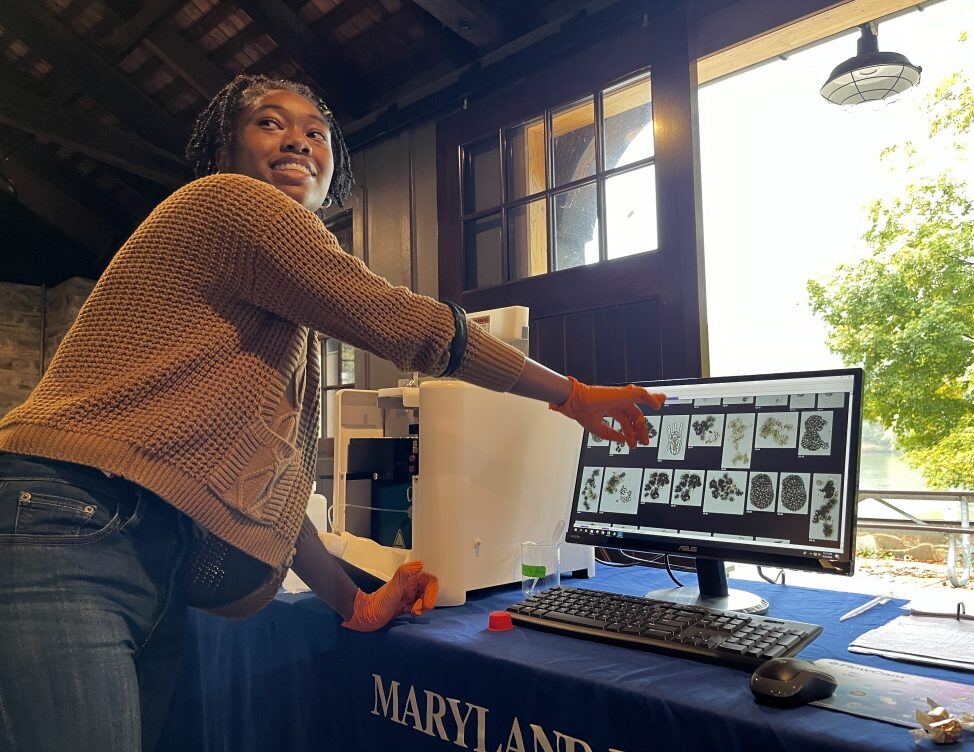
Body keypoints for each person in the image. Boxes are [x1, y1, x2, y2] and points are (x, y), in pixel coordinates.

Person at [0, 74, 665, 752]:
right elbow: (408, 324)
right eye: (268, 122)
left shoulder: (273, 309)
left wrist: (356, 603)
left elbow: (273, 482)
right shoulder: (232, 202)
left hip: (133, 547)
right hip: (67, 518)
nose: (297, 139)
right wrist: (572, 395)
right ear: (226, 150)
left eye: (316, 132)